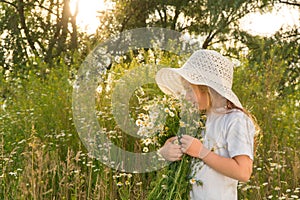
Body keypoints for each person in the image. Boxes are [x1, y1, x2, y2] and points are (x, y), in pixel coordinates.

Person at [155, 49, 259, 200]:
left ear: (208, 89)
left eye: (189, 90)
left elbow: (243, 172)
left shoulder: (235, 120)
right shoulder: (201, 118)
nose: (186, 96)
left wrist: (201, 152)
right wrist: (165, 150)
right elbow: (180, 141)